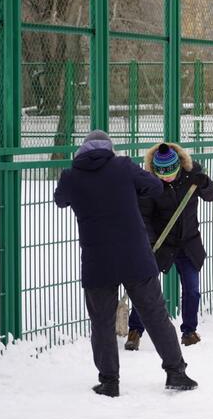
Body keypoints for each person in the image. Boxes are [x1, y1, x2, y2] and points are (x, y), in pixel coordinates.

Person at [53, 130, 197, 397]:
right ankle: (176, 372)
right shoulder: (122, 166)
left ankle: (109, 381)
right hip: (135, 255)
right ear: (110, 148)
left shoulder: (72, 175)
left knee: (102, 322)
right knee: (154, 314)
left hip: (98, 261)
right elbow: (154, 187)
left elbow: (60, 199)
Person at [125, 143, 213, 351]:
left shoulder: (191, 175)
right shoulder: (149, 184)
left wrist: (204, 183)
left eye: (171, 173)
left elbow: (212, 194)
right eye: (162, 173)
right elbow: (144, 217)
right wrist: (149, 242)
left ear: (179, 166)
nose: (166, 177)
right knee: (147, 291)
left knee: (192, 290)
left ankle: (189, 332)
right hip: (161, 244)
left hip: (188, 242)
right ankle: (135, 330)